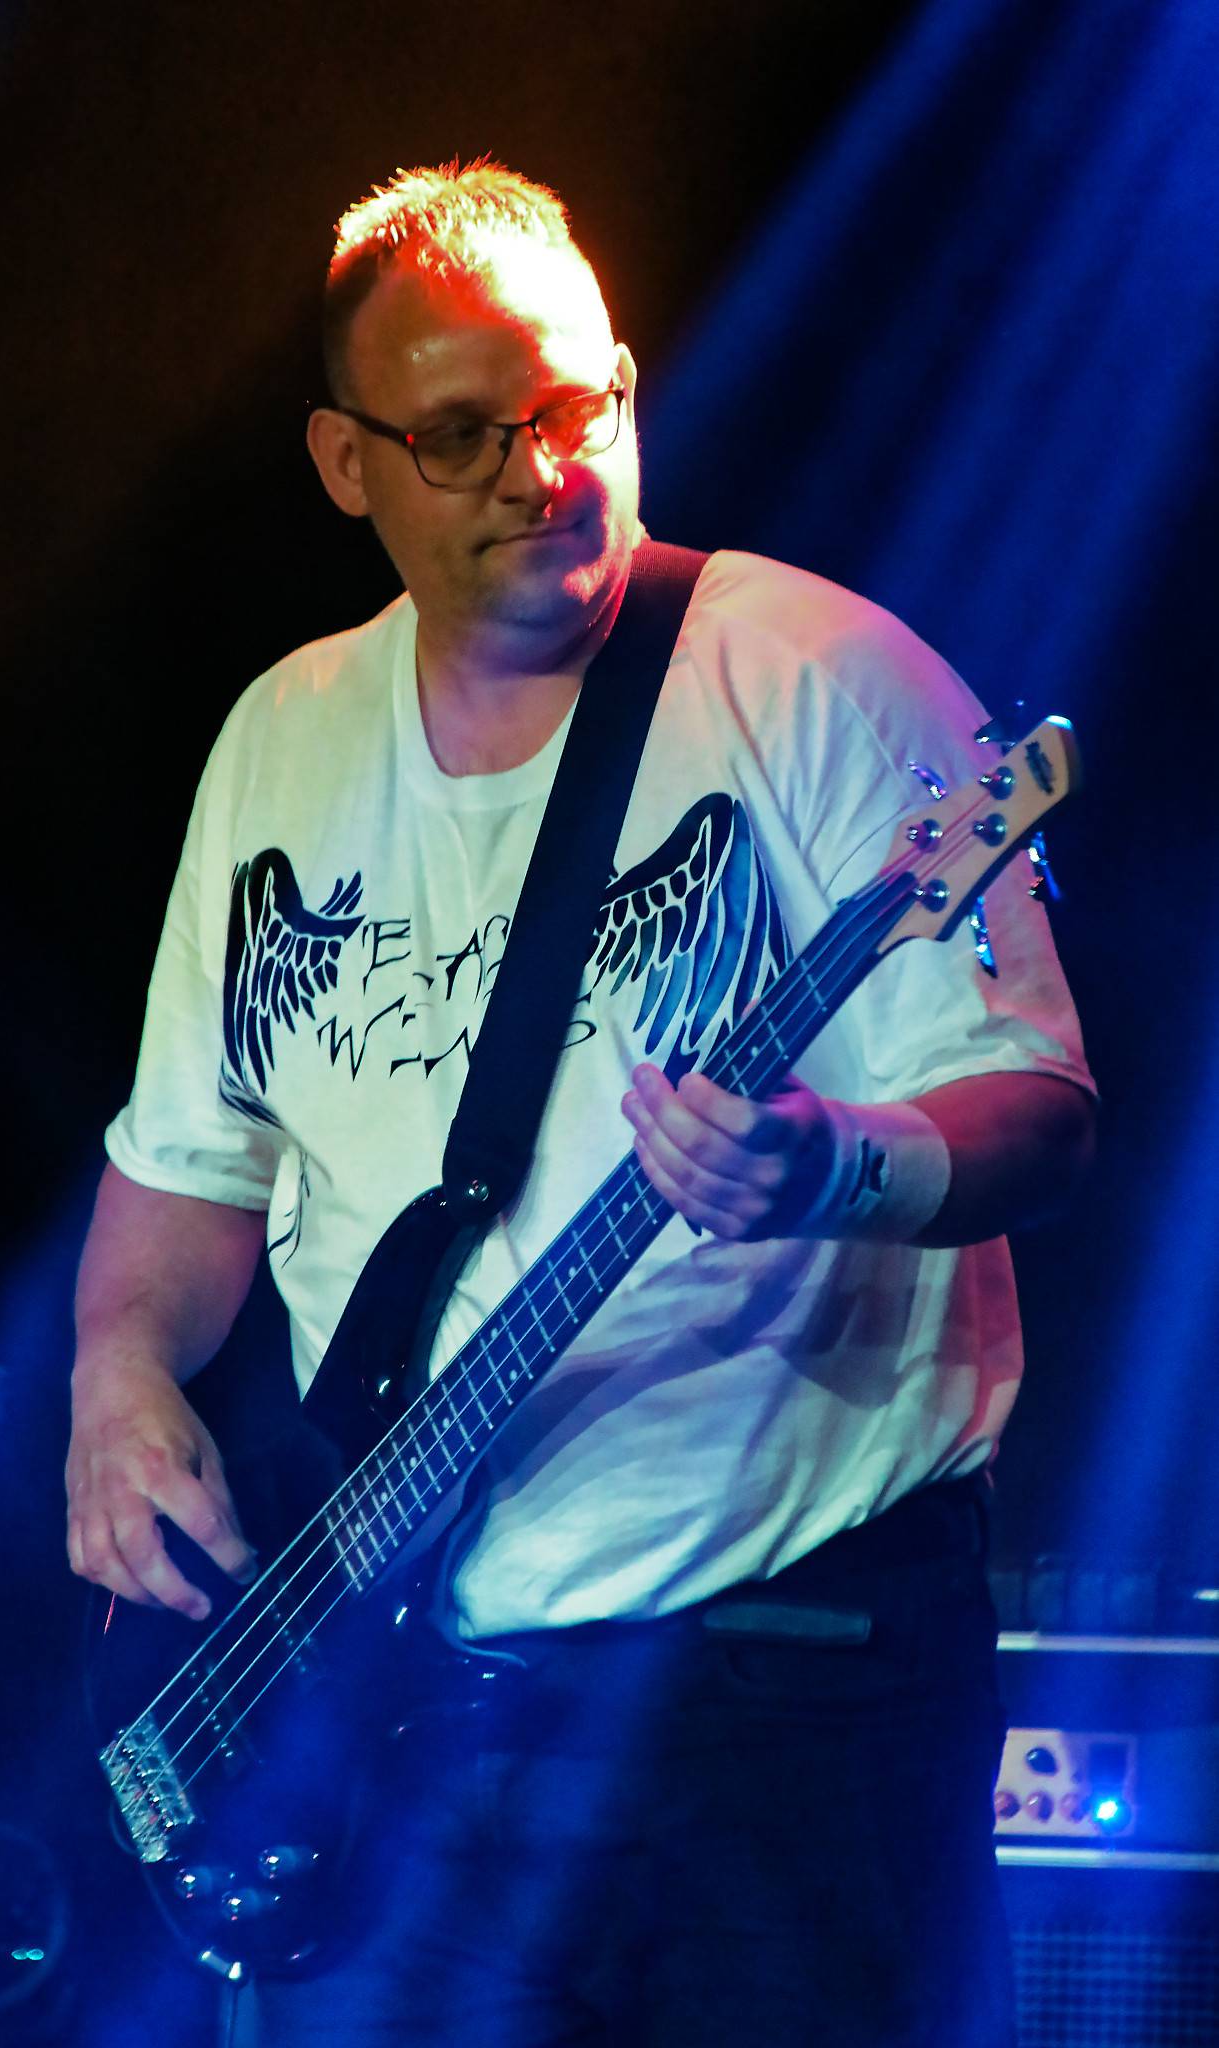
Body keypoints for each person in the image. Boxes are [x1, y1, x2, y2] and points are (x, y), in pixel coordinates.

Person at [66, 161, 1095, 2045]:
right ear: (345, 463)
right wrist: (117, 1378)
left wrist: (834, 1169)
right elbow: (190, 1161)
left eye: (570, 409)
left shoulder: (813, 674)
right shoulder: (282, 739)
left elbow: (1040, 1102)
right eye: (461, 437)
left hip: (780, 1693)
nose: (538, 474)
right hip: (406, 1716)